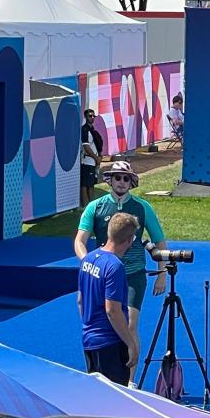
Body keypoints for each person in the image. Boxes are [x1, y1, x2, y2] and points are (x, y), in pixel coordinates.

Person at [74, 161, 168, 386]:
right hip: (104, 273)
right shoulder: (95, 207)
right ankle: (101, 372)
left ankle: (130, 380)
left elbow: (159, 239)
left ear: (132, 182)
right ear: (110, 180)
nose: (122, 182)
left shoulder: (142, 207)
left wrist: (162, 273)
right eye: (117, 177)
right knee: (100, 321)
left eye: (126, 178)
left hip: (133, 274)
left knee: (130, 324)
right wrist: (88, 261)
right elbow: (80, 240)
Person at [78, 212, 139, 386]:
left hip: (89, 341)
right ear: (129, 240)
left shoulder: (88, 259)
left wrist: (88, 327)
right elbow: (112, 310)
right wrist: (131, 343)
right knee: (114, 400)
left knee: (97, 395)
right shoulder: (114, 267)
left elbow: (80, 300)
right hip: (110, 344)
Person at [80, 109, 102, 207]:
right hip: (87, 161)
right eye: (90, 116)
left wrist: (98, 157)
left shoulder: (92, 130)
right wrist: (95, 157)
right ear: (85, 117)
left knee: (91, 184)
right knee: (85, 185)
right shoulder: (84, 130)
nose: (92, 118)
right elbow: (86, 146)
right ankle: (86, 205)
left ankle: (91, 205)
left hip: (93, 162)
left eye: (93, 116)